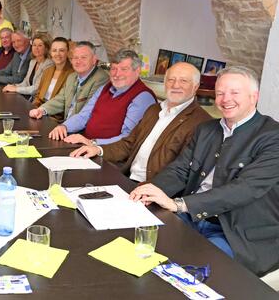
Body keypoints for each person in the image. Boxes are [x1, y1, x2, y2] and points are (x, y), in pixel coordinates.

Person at [129, 66, 279, 277]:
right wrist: (149, 189)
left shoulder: (273, 137)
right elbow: (180, 170)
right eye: (220, 93)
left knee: (190, 276)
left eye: (234, 93)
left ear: (254, 97)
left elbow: (245, 189)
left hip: (235, 232)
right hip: (191, 217)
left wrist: (179, 204)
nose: (226, 99)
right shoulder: (207, 129)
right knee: (137, 246)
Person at [70, 62, 212, 182]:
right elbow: (128, 143)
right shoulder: (154, 109)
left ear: (195, 87)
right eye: (171, 80)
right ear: (165, 83)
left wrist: (150, 189)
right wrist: (98, 149)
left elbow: (182, 171)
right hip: (126, 176)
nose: (175, 85)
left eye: (183, 81)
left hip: (152, 189)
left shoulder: (201, 122)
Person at [48, 48, 156, 145]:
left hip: (109, 156)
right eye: (114, 69)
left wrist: (92, 143)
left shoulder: (142, 97)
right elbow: (84, 116)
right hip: (86, 145)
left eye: (124, 69)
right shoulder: (105, 88)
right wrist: (64, 127)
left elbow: (127, 138)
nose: (117, 74)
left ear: (137, 71)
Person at [29, 41, 108, 122]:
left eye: (83, 57)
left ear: (94, 60)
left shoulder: (101, 79)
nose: (78, 61)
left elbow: (86, 113)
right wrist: (41, 110)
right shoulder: (72, 76)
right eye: (75, 58)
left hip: (80, 130)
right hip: (65, 124)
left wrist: (64, 127)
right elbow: (60, 99)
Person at [31, 37, 74, 107]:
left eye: (62, 50)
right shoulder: (48, 70)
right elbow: (38, 95)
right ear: (50, 52)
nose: (57, 54)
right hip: (39, 109)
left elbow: (64, 103)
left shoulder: (72, 74)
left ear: (68, 52)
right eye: (54, 50)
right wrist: (33, 107)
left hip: (55, 114)